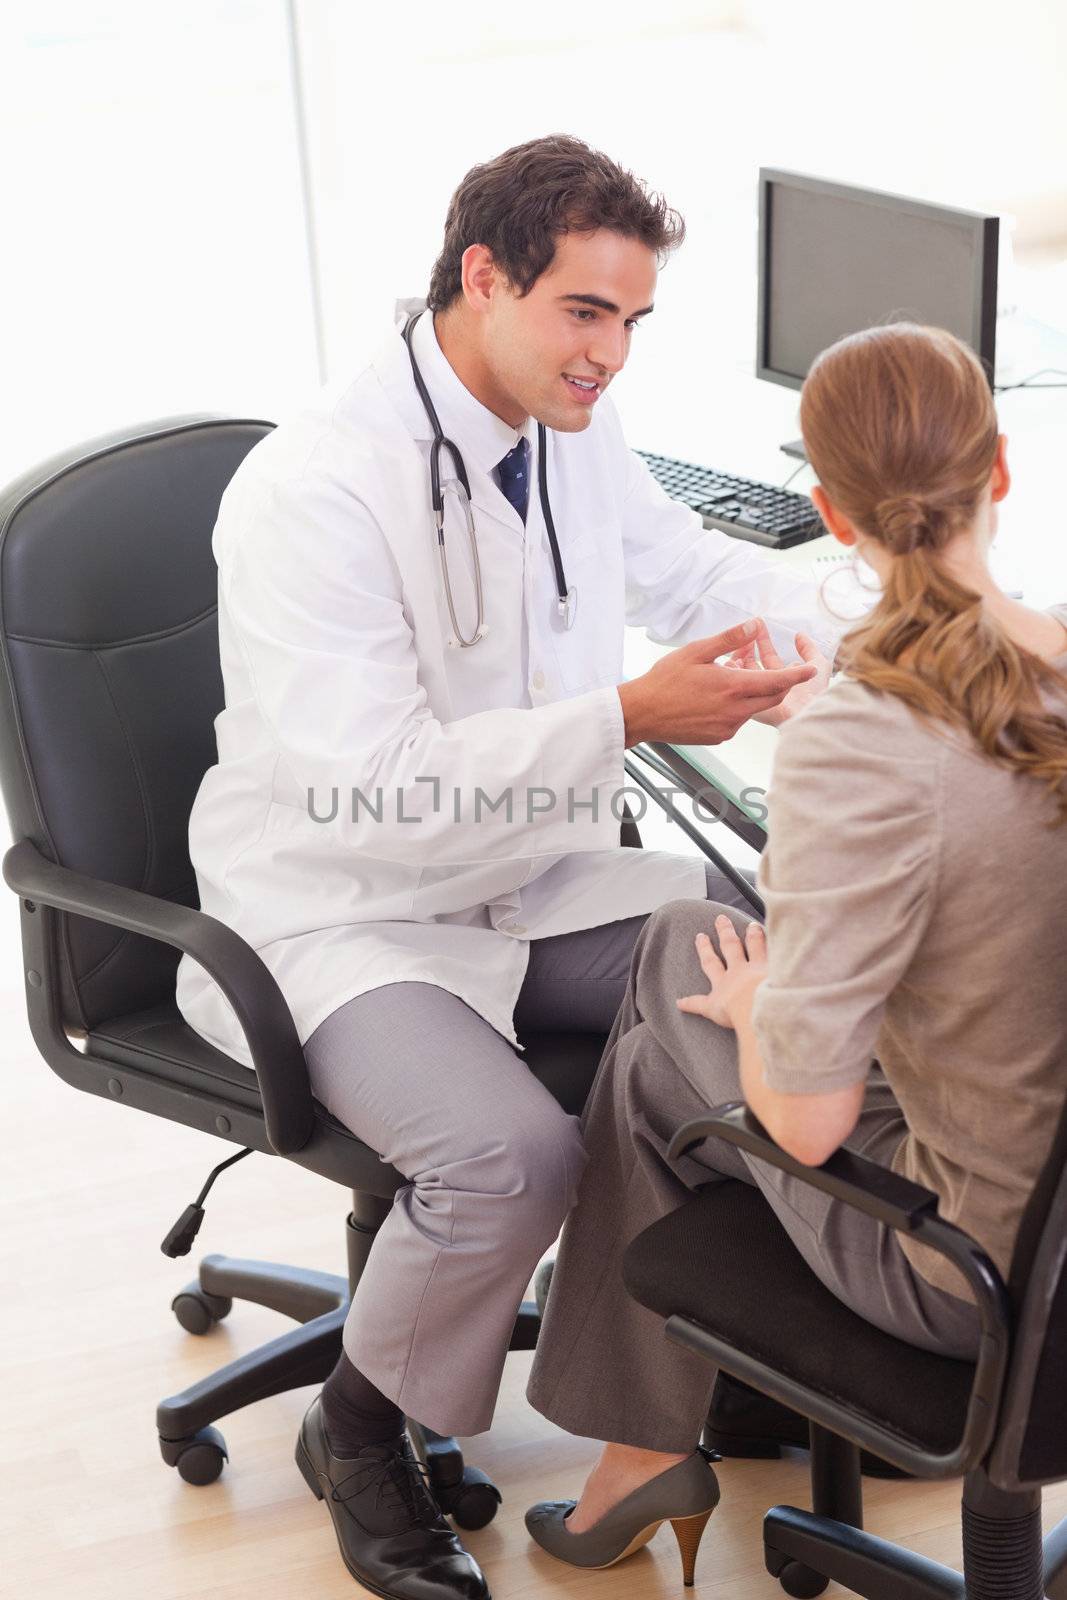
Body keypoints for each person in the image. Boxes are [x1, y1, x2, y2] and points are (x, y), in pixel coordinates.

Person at [176, 134, 838, 1600]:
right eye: (582, 313)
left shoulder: (568, 429)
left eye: (631, 321)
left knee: (761, 975)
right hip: (343, 912)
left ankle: (674, 1389)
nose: (608, 356)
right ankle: (358, 1431)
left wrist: (866, 640)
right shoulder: (317, 488)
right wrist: (624, 714)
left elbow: (699, 576)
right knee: (510, 1155)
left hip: (530, 878)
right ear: (483, 278)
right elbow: (366, 789)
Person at [523, 321, 1067, 1588]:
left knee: (678, 986)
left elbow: (808, 1127)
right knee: (673, 999)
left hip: (974, 1269)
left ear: (824, 508)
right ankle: (652, 1441)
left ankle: (640, 1451)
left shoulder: (857, 745)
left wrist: (767, 1003)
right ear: (998, 471)